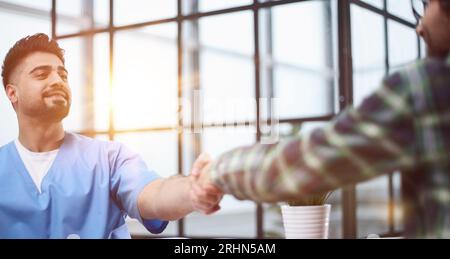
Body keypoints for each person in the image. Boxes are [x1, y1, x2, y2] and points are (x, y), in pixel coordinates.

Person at [194, 0, 450, 238]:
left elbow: (293, 167)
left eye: (426, 5)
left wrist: (214, 172)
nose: (419, 26)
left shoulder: (428, 88)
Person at [0, 33, 222, 238]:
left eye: (63, 74)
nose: (58, 81)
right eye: (41, 74)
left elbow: (154, 194)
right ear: (12, 93)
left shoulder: (109, 158)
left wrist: (192, 188)